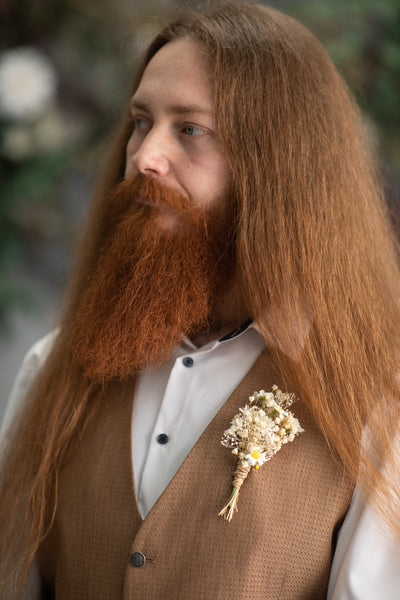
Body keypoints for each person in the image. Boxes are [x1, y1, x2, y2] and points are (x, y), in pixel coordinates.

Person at [1, 1, 400, 598]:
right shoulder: (54, 367)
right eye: (141, 121)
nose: (143, 158)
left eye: (190, 129)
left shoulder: (374, 401)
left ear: (281, 167)